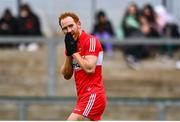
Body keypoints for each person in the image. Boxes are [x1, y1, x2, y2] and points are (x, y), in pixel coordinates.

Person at [58, 12, 106, 121]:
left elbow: (90, 68)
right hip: (82, 97)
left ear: (78, 24)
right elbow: (66, 74)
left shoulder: (90, 40)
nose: (69, 30)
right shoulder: (71, 45)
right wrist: (69, 53)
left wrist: (74, 52)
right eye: (65, 28)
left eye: (71, 26)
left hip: (93, 94)